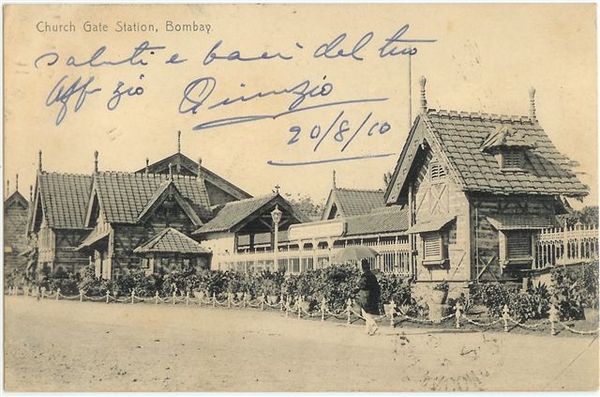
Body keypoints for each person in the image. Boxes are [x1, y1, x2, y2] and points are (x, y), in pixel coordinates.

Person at [356, 259, 381, 335]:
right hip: (372, 295)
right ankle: (368, 329)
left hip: (365, 295)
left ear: (363, 267)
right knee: (368, 312)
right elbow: (376, 286)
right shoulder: (372, 275)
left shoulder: (365, 276)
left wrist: (358, 282)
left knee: (364, 312)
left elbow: (361, 285)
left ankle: (373, 326)